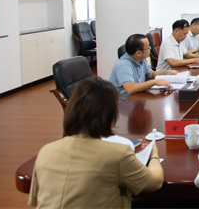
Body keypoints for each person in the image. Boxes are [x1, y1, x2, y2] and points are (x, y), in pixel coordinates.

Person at [29, 77, 164, 208]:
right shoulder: (116, 154)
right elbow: (155, 182)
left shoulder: (46, 152)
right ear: (110, 114)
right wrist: (153, 154)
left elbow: (39, 199)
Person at [109, 34, 180, 100]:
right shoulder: (124, 65)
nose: (150, 48)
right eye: (148, 47)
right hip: (124, 104)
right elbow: (130, 88)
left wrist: (166, 73)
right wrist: (154, 82)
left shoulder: (141, 59)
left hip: (138, 97)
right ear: (138, 53)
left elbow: (151, 74)